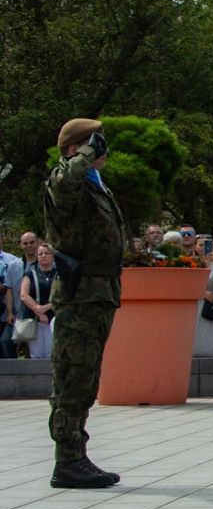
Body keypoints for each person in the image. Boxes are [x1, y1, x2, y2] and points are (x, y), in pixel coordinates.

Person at [43, 117, 127, 489]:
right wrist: (85, 152)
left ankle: (77, 454)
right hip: (80, 296)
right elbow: (64, 181)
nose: (103, 146)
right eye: (96, 141)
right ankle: (68, 460)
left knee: (86, 376)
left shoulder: (95, 185)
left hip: (99, 293)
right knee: (72, 378)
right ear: (77, 148)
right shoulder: (65, 182)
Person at [2, 232, 37, 358]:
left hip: (37, 315)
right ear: (21, 245)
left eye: (32, 242)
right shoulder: (14, 265)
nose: (29, 246)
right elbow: (9, 291)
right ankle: (12, 376)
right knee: (5, 342)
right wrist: (10, 313)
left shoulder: (44, 264)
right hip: (17, 315)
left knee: (35, 350)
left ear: (37, 242)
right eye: (25, 243)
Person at [19, 243, 57, 360]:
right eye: (40, 254)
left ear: (52, 255)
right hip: (35, 319)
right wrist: (39, 311)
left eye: (47, 253)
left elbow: (64, 296)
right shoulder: (30, 273)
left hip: (55, 317)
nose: (43, 256)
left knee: (53, 353)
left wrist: (46, 308)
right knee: (36, 354)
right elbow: (24, 295)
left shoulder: (59, 274)